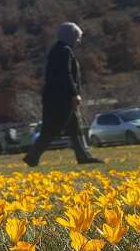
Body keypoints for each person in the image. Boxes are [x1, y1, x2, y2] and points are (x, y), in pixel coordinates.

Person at [24, 22, 103, 167]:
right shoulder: (64, 51)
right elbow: (65, 75)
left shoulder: (58, 50)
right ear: (70, 36)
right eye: (77, 37)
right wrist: (74, 94)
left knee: (74, 128)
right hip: (60, 99)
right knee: (51, 128)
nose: (79, 41)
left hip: (56, 97)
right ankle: (32, 156)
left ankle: (83, 156)